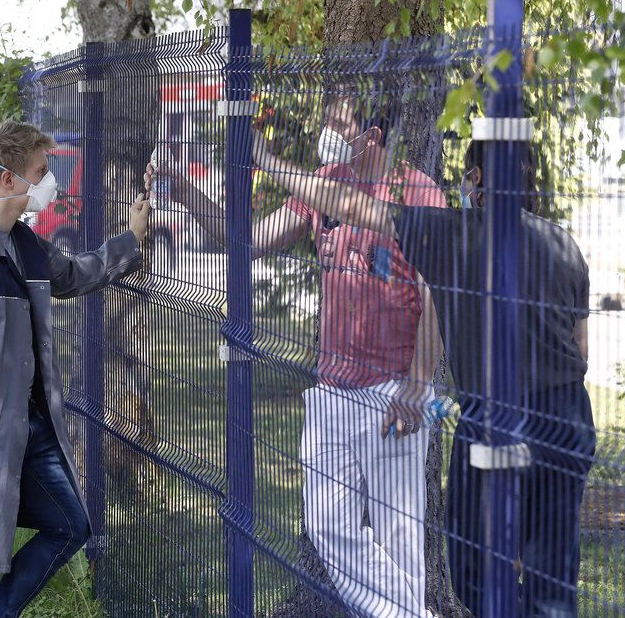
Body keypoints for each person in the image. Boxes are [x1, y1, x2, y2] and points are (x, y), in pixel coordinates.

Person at [252, 136, 596, 618]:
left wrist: (266, 159)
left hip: (496, 418)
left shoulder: (457, 234)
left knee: (477, 570)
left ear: (475, 180)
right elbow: (582, 348)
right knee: (552, 577)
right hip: (566, 415)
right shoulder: (565, 245)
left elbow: (354, 207)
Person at [148, 95, 446, 617]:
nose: (325, 129)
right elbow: (243, 240)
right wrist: (182, 186)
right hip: (331, 391)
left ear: (371, 134)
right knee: (328, 528)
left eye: (338, 122)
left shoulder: (416, 192)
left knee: (402, 542)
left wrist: (419, 382)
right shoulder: (322, 183)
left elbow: (438, 290)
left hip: (393, 394)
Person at [0, 120, 150, 618]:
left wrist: (130, 238)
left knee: (71, 523)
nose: (50, 183)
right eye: (41, 172)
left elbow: (76, 274)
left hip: (29, 427)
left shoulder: (26, 245)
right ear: (8, 180)